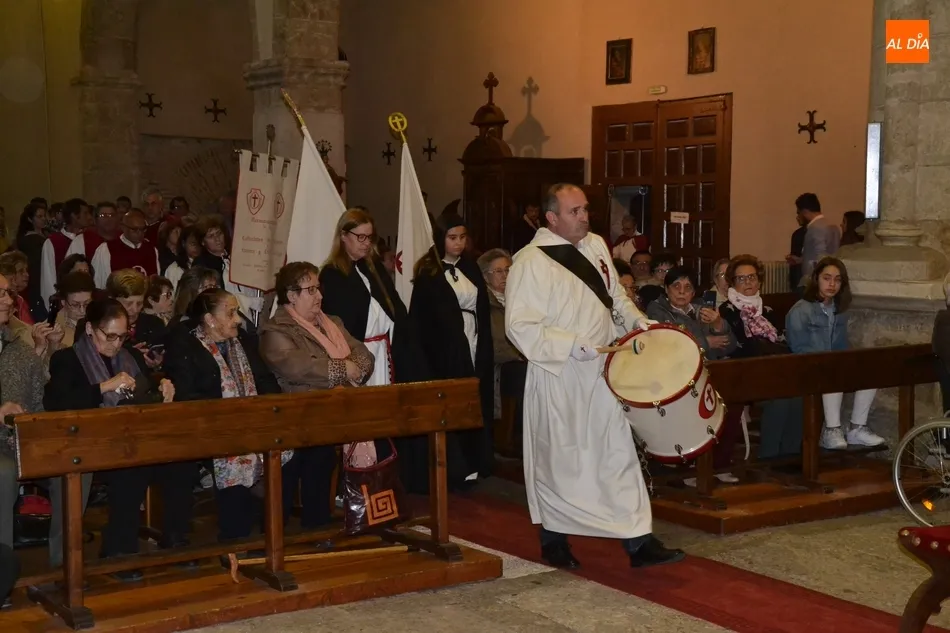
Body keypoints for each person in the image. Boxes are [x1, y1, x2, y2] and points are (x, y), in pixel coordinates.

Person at [505, 183, 684, 569]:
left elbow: (615, 297)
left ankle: (638, 541)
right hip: (559, 375)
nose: (584, 217)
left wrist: (637, 322)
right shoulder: (531, 261)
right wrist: (570, 345)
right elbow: (519, 326)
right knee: (559, 460)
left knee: (617, 454)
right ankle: (553, 539)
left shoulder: (597, 246)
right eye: (574, 212)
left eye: (585, 209)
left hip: (603, 371)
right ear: (551, 218)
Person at [319, 208, 430, 491]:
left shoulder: (373, 268)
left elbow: (394, 310)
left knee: (390, 417)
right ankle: (361, 484)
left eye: (370, 237)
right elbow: (339, 323)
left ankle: (389, 479)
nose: (366, 243)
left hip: (386, 352)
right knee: (365, 421)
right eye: (360, 237)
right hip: (360, 354)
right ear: (343, 236)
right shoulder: (332, 275)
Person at [259, 262, 375, 529]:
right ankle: (278, 532)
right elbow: (299, 368)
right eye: (310, 290)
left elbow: (363, 353)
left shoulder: (332, 322)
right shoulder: (276, 330)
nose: (319, 296)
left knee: (323, 460)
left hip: (332, 412)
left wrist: (355, 366)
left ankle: (319, 525)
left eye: (318, 288)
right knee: (303, 462)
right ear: (291, 295)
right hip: (295, 418)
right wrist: (344, 368)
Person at [409, 212, 494, 486]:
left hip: (473, 337)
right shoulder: (429, 273)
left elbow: (482, 308)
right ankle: (455, 466)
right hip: (445, 347)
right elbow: (424, 319)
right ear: (440, 238)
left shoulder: (471, 268)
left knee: (473, 397)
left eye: (462, 237)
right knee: (453, 401)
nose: (458, 243)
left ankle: (475, 460)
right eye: (452, 238)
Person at [786, 257, 884, 450]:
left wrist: (849, 362)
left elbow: (841, 345)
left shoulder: (839, 310)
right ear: (816, 279)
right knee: (832, 368)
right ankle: (831, 430)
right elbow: (798, 348)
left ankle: (857, 428)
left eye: (837, 280)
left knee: (871, 370)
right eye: (827, 278)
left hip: (830, 364)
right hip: (807, 367)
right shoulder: (801, 310)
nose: (832, 284)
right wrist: (828, 360)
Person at [794, 193, 839, 288]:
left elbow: (820, 255)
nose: (798, 216)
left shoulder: (815, 228)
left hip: (815, 282)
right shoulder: (833, 226)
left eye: (799, 213)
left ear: (805, 212)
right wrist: (801, 259)